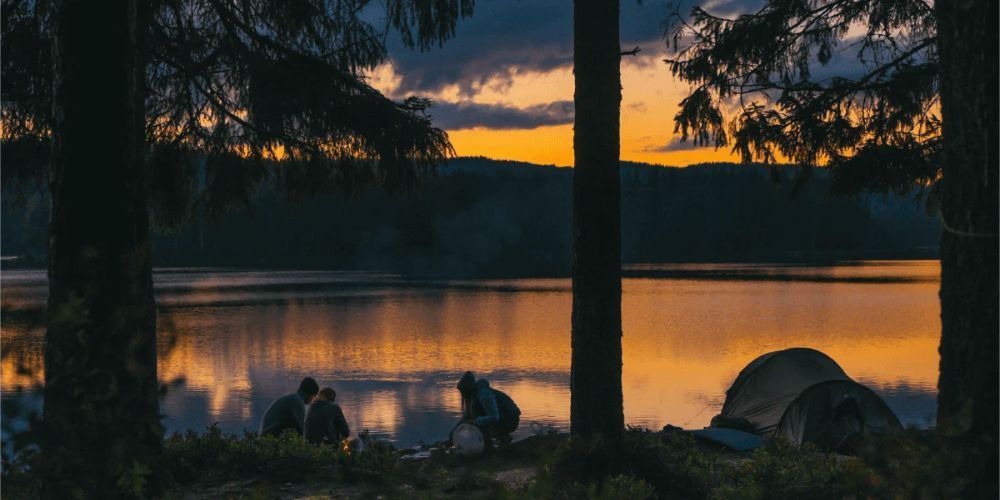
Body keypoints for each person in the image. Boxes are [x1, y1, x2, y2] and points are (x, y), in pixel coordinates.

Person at [455, 371, 520, 446]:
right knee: (475, 416)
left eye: (463, 392)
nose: (462, 395)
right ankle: (501, 438)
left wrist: (475, 422)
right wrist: (452, 436)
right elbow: (465, 419)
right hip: (503, 418)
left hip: (510, 420)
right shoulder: (473, 397)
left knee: (477, 415)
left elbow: (494, 417)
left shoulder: (484, 395)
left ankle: (499, 438)